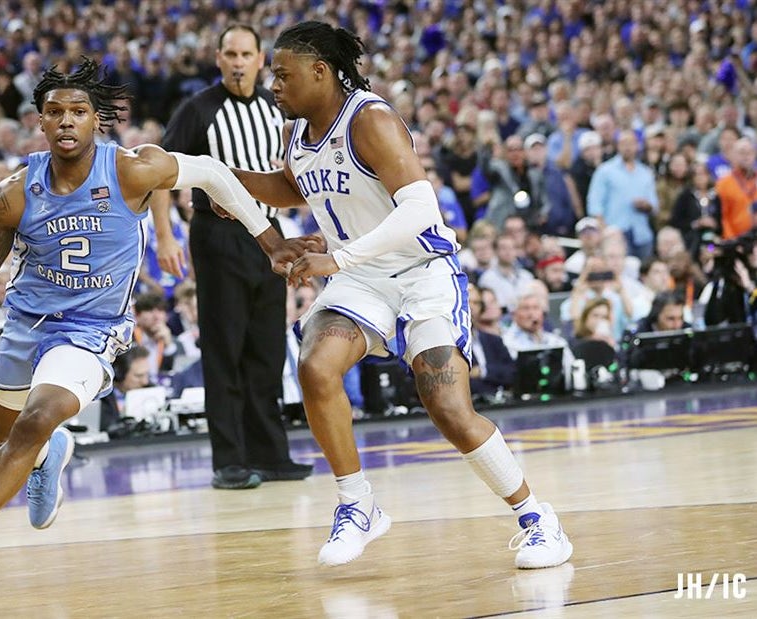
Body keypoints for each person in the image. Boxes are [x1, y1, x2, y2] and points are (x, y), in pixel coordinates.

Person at [0, 57, 306, 600]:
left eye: (77, 111)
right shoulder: (11, 194)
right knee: (2, 435)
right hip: (25, 324)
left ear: (95, 120)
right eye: (54, 111)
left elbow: (216, 174)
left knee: (33, 420)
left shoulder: (133, 169)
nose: (66, 120)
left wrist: (270, 241)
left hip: (91, 327)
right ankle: (50, 450)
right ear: (39, 121)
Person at [227, 22, 572, 570]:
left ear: (321, 72)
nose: (274, 85)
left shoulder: (372, 119)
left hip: (421, 272)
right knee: (317, 366)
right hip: (362, 281)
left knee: (448, 405)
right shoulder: (300, 133)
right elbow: (296, 186)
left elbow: (420, 212)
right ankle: (357, 504)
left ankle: (536, 517)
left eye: (283, 75)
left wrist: (336, 258)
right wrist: (230, 181)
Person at [152, 24, 312, 490]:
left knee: (266, 348)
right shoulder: (197, 109)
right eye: (230, 54)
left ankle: (271, 454)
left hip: (270, 234)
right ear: (218, 58)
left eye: (247, 53)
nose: (239, 62)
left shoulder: (274, 107)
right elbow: (162, 171)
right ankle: (230, 460)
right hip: (218, 235)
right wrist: (165, 236)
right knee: (224, 349)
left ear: (261, 59)